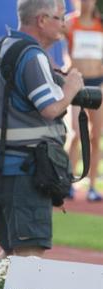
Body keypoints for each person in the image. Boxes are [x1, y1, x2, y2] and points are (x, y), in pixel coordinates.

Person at [0, 0, 83, 258]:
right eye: (59, 17)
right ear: (42, 20)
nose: (64, 25)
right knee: (29, 255)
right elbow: (50, 109)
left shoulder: (2, 48)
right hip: (22, 171)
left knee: (12, 253)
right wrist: (71, 88)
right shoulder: (31, 55)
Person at [65, 0, 103, 202]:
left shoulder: (100, 24)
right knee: (76, 134)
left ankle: (92, 186)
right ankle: (69, 181)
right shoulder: (70, 24)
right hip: (77, 84)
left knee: (96, 136)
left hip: (98, 84)